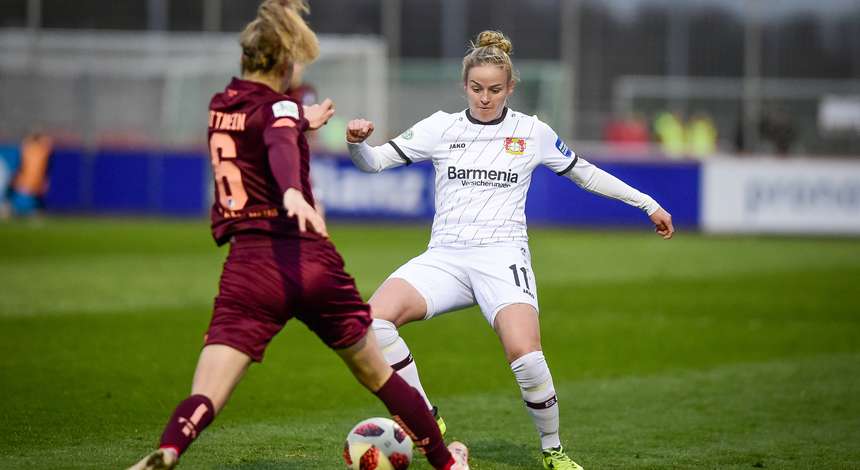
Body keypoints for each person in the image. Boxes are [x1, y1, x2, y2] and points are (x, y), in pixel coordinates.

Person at [127, 2, 469, 469]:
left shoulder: (221, 106)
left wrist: (302, 119)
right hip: (308, 259)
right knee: (380, 375)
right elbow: (280, 143)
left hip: (249, 268)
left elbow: (269, 126)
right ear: (285, 64)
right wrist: (291, 190)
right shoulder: (283, 108)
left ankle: (169, 449)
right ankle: (450, 465)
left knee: (207, 391)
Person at [345, 30, 674, 470]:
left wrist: (647, 203)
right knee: (372, 321)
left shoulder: (531, 131)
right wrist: (356, 142)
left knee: (526, 354)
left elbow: (586, 173)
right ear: (465, 85)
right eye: (477, 88)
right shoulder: (440, 126)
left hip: (502, 257)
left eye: (495, 89)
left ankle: (553, 450)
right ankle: (425, 418)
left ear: (510, 87)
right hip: (445, 256)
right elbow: (374, 162)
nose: (485, 98)